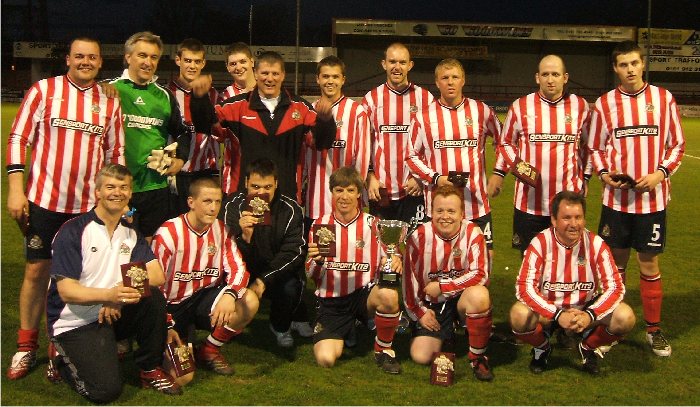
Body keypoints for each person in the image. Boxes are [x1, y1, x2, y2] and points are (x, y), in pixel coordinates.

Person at [6, 36, 125, 380]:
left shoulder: (109, 100)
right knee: (36, 272)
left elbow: (115, 154)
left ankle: (60, 344)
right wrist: (17, 189)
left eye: (92, 57)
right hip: (45, 202)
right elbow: (19, 139)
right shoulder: (44, 90)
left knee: (78, 278)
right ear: (68, 59)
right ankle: (26, 345)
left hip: (88, 209)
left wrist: (114, 197)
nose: (85, 62)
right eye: (79, 56)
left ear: (100, 62)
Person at [46, 164, 181, 402]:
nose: (117, 192)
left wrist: (119, 296)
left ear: (130, 193)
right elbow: (67, 291)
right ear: (97, 191)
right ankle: (60, 358)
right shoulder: (74, 231)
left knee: (153, 298)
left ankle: (149, 369)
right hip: (75, 321)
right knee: (105, 391)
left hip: (112, 310)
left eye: (123, 187)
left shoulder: (129, 233)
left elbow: (157, 275)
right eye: (110, 187)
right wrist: (110, 295)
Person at [587, 40, 685, 357]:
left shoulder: (663, 99)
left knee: (649, 262)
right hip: (616, 201)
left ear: (643, 64)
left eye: (634, 63)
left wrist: (659, 174)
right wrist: (603, 174)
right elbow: (596, 149)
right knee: (615, 265)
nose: (630, 69)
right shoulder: (604, 104)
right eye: (623, 65)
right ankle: (614, 326)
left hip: (652, 202)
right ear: (615, 69)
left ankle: (653, 331)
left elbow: (677, 146)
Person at [510, 191, 635, 375]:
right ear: (553, 220)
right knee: (518, 315)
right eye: (567, 218)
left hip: (584, 310)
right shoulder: (540, 243)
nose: (574, 224)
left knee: (625, 317)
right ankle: (542, 348)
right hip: (550, 312)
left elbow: (615, 287)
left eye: (578, 217)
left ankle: (587, 347)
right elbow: (524, 287)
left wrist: (590, 315)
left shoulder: (597, 244)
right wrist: (558, 314)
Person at [151, 177, 258, 376]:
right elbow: (154, 287)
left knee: (249, 300)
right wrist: (165, 322)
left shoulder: (221, 229)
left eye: (217, 202)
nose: (213, 208)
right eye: (207, 201)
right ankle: (174, 342)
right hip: (171, 308)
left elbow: (239, 269)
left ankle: (209, 349)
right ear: (191, 202)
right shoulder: (168, 234)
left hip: (203, 300)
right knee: (182, 376)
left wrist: (230, 294)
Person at [110, 31, 208, 241]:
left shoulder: (163, 96)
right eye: (142, 55)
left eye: (153, 57)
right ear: (128, 57)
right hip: (117, 187)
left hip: (155, 188)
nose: (148, 62)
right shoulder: (110, 90)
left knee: (151, 249)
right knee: (117, 248)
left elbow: (182, 132)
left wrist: (179, 159)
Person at [489, 55, 591, 255]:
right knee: (529, 257)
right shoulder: (520, 106)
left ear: (565, 77)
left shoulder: (580, 107)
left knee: (566, 256)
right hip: (529, 201)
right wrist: (520, 169)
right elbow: (505, 143)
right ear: (537, 78)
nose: (550, 79)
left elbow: (590, 145)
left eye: (555, 74)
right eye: (545, 74)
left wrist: (585, 176)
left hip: (567, 200)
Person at [306, 166, 403, 374]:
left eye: (350, 190)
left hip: (363, 296)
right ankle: (351, 327)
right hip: (332, 303)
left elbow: (393, 256)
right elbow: (310, 275)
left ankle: (384, 351)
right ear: (331, 192)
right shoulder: (320, 224)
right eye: (339, 190)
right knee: (325, 359)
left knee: (388, 295)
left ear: (360, 193)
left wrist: (396, 260)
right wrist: (319, 262)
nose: (344, 196)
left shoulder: (373, 224)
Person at [209, 50, 336, 201]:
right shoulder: (235, 106)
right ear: (255, 73)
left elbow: (321, 144)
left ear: (283, 75)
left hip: (286, 197)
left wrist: (326, 121)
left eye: (275, 74)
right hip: (244, 196)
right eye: (265, 73)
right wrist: (200, 99)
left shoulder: (301, 108)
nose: (270, 79)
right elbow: (209, 127)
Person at [406, 58, 501, 249]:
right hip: (439, 208)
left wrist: (498, 174)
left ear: (463, 80)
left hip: (476, 205)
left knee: (484, 262)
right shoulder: (423, 117)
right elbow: (411, 155)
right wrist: (435, 178)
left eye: (455, 77)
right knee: (439, 262)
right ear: (437, 82)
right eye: (445, 77)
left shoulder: (481, 111)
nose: (450, 82)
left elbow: (503, 141)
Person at [403, 185, 494, 381]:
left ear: (462, 213)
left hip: (461, 300)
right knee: (420, 355)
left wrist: (444, 286)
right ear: (431, 212)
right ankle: (447, 335)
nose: (445, 216)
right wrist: (419, 313)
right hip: (433, 306)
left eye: (451, 211)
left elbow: (481, 275)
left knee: (479, 295)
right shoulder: (418, 238)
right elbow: (409, 283)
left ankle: (478, 357)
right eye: (440, 211)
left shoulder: (473, 233)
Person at [223, 159, 314, 348]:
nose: (261, 193)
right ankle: (227, 326)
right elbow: (220, 247)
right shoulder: (232, 205)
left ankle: (280, 326)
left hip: (274, 271)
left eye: (267, 187)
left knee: (291, 285)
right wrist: (240, 233)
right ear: (246, 182)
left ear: (276, 185)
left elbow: (294, 252)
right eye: (255, 186)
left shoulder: (290, 209)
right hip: (241, 270)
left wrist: (264, 279)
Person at [363, 42, 434, 224]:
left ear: (410, 65)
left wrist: (420, 177)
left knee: (416, 247)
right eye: (392, 61)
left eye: (402, 62)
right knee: (382, 248)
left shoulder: (425, 98)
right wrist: (370, 176)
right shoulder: (371, 99)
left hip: (414, 188)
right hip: (380, 188)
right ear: (384, 64)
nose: (397, 67)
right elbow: (363, 145)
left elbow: (431, 145)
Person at [302, 55, 370, 234]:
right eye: (325, 76)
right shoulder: (308, 111)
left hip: (347, 204)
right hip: (315, 201)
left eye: (335, 76)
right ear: (317, 79)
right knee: (318, 255)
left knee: (346, 256)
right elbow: (304, 155)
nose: (330, 81)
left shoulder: (357, 112)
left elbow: (361, 159)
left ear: (343, 79)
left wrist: (357, 196)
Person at [168, 38, 220, 214]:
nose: (192, 66)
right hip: (176, 174)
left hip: (204, 172)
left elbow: (217, 131)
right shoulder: (167, 93)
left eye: (197, 61)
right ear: (178, 60)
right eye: (187, 60)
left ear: (203, 63)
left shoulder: (213, 95)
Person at [218, 42, 256, 197]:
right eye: (233, 64)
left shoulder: (268, 90)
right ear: (227, 67)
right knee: (234, 220)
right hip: (234, 176)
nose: (238, 67)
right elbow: (220, 135)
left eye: (243, 61)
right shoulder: (224, 97)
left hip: (263, 174)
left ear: (252, 62)